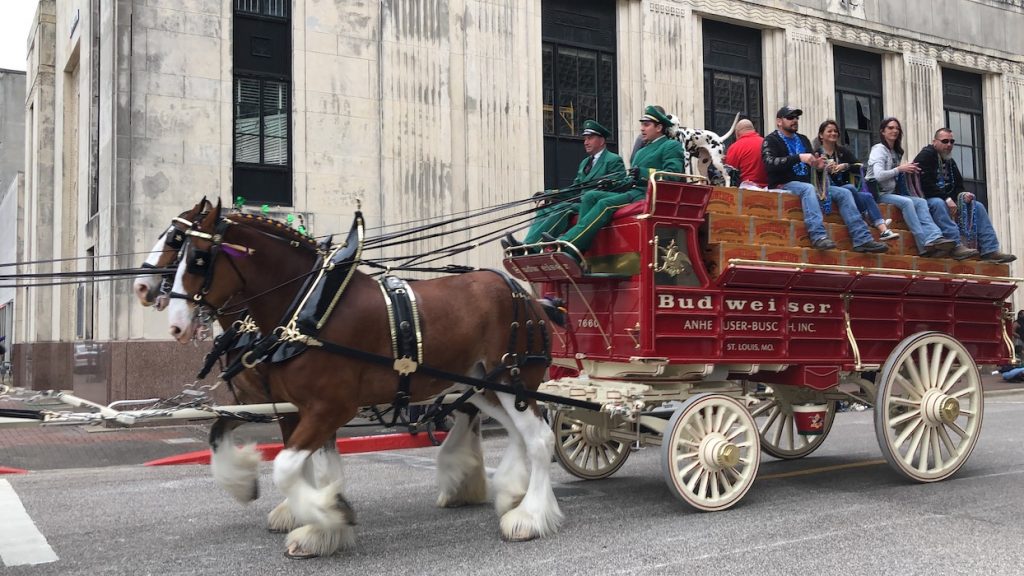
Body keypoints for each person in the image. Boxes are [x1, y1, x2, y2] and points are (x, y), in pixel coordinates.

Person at [555, 105, 685, 258]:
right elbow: (631, 179)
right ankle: (582, 246)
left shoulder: (670, 146)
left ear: (659, 127)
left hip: (648, 196)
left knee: (605, 204)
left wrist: (643, 173)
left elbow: (674, 175)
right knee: (590, 196)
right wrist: (613, 184)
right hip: (633, 192)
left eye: (646, 124)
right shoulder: (641, 151)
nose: (642, 128)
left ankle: (570, 243)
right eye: (642, 124)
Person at [761, 106, 887, 253]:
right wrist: (798, 158)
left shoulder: (803, 139)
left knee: (844, 192)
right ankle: (818, 236)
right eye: (790, 117)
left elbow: (813, 166)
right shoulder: (771, 140)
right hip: (784, 184)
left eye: (796, 117)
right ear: (779, 121)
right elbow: (769, 163)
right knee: (808, 189)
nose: (795, 120)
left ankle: (862, 239)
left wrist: (820, 166)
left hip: (811, 183)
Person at [505, 119, 625, 248]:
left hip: (591, 207)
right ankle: (526, 244)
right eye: (585, 139)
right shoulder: (584, 163)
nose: (586, 142)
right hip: (578, 203)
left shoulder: (613, 160)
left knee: (561, 208)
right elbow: (574, 190)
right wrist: (549, 194)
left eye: (590, 138)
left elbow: (618, 188)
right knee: (544, 210)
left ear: (601, 141)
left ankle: (533, 247)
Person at [865, 117, 973, 259]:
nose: (895, 131)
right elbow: (878, 176)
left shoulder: (896, 152)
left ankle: (935, 237)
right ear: (882, 132)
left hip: (891, 193)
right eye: (890, 128)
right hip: (878, 194)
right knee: (908, 202)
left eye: (897, 128)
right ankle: (923, 244)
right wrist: (900, 169)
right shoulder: (879, 149)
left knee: (920, 202)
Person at [913, 128, 1016, 263]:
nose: (949, 145)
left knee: (977, 206)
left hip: (948, 200)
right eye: (945, 141)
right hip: (927, 200)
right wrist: (947, 199)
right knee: (938, 203)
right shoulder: (926, 155)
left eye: (951, 141)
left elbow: (958, 185)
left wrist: (963, 195)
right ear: (934, 142)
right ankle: (956, 245)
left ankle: (990, 249)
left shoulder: (949, 161)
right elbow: (926, 185)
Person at [814, 119, 898, 241]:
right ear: (821, 135)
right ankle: (867, 216)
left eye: (835, 131)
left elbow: (860, 166)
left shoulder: (842, 151)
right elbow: (811, 173)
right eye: (829, 131)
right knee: (850, 188)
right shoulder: (816, 153)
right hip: (825, 189)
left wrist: (845, 166)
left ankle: (884, 230)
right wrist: (822, 168)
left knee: (867, 196)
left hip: (845, 188)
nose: (833, 133)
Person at [724, 119, 769, 189]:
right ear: (753, 130)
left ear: (737, 133)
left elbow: (730, 172)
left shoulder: (735, 147)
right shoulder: (767, 143)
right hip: (770, 189)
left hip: (747, 190)